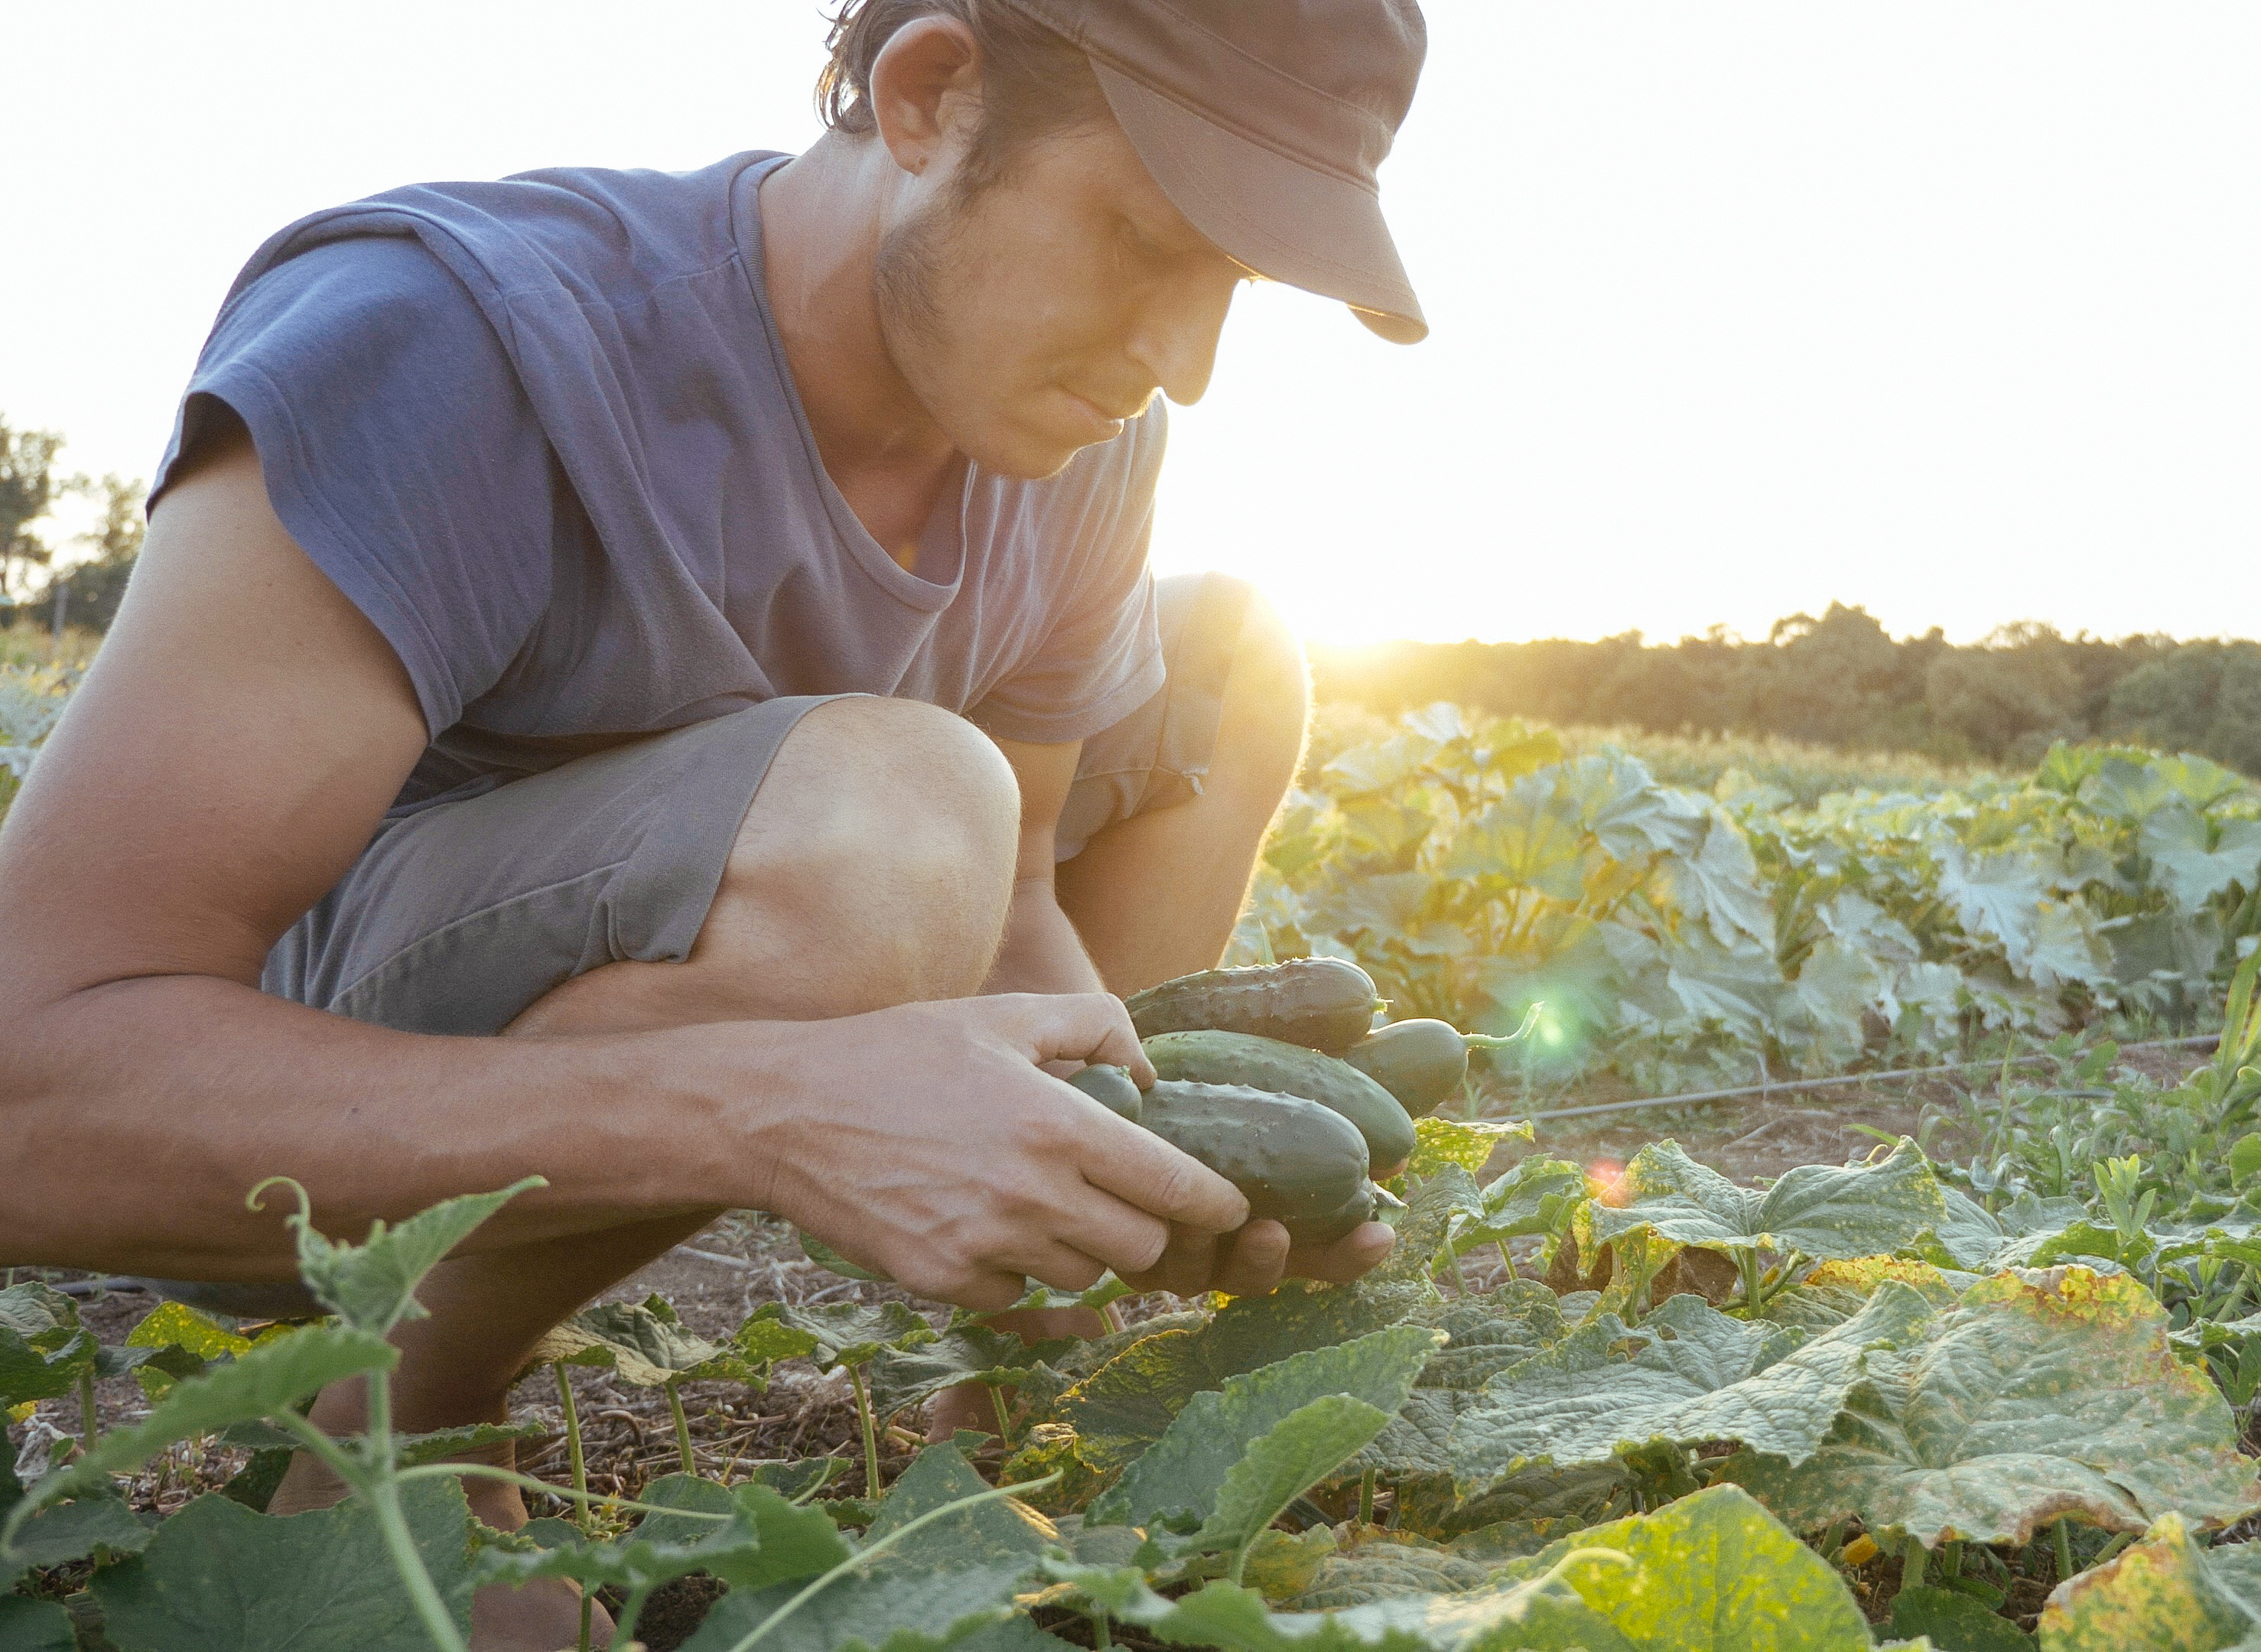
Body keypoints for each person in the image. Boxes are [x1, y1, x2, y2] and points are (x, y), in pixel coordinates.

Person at [0, 0, 1430, 1643]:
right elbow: (29, 1098)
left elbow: (1027, 885)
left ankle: (997, 1393)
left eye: (1233, 283)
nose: (1187, 358)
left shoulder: (1089, 446)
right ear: (930, 93)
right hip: (296, 1097)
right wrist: (774, 1113)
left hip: (688, 956)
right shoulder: (444, 344)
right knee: (901, 813)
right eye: (1143, 239)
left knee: (1236, 652)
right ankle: (402, 1422)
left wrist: (1114, 1171)